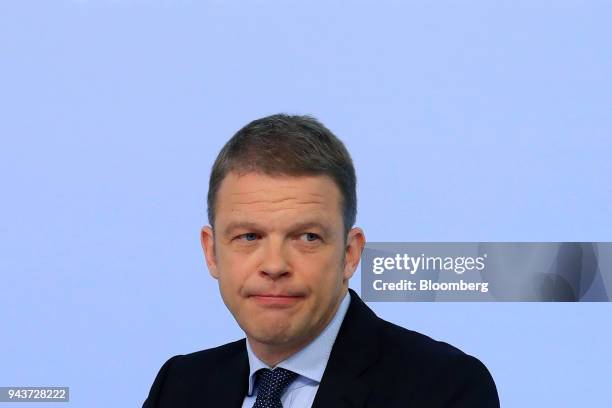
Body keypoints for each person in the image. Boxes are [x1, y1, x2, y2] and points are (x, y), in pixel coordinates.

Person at [142, 114, 500, 408]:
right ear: (211, 252)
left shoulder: (444, 389)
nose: (274, 264)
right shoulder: (178, 387)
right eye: (249, 237)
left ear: (350, 253)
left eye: (307, 237)